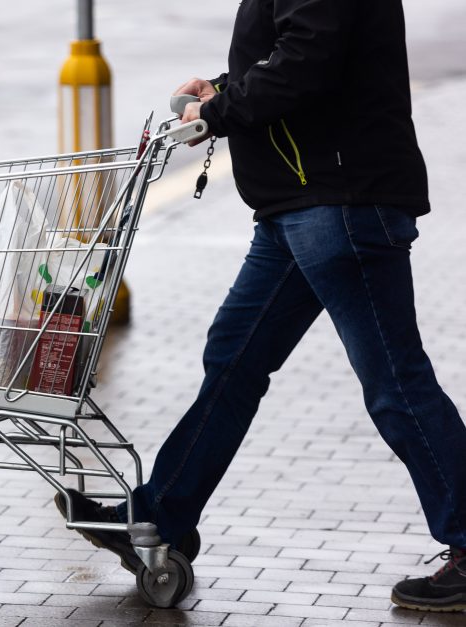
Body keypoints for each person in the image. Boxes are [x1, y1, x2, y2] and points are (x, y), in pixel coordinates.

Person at [56, 0, 466, 613]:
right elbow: (298, 48)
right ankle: (163, 518)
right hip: (297, 207)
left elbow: (308, 61)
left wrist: (219, 110)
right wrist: (222, 88)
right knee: (233, 360)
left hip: (339, 203)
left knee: (395, 382)